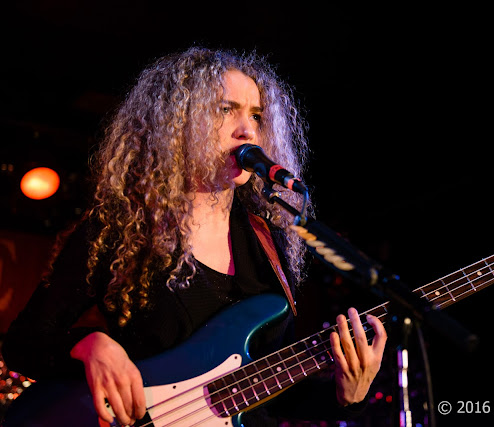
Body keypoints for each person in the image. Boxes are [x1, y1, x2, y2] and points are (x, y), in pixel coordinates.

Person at [2, 47, 387, 426]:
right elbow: (23, 344)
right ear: (178, 122)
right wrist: (89, 344)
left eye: (256, 115)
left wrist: (348, 396)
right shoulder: (122, 229)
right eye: (225, 110)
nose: (248, 130)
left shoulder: (268, 243)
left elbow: (267, 396)